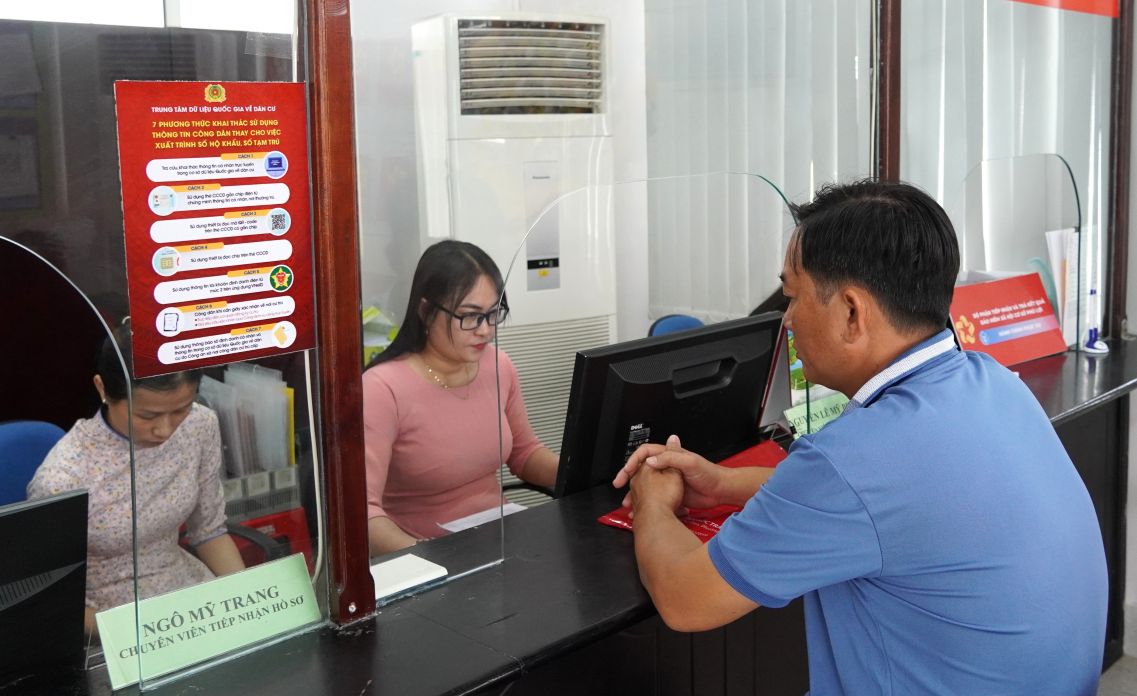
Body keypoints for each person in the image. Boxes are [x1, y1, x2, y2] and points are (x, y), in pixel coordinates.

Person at [614, 180, 1107, 695]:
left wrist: (653, 501)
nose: (786, 322)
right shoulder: (992, 383)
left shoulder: (854, 460)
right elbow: (887, 507)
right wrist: (724, 484)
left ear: (852, 312)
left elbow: (685, 599)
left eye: (792, 298)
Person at [27, 323, 245, 636]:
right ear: (103, 389)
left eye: (180, 409)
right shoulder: (64, 477)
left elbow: (210, 531)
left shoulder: (199, 425)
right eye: (147, 416)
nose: (166, 430)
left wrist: (246, 599)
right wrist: (133, 633)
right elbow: (47, 599)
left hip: (189, 601)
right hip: (110, 626)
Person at [363, 240, 559, 555]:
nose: (485, 330)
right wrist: (426, 564)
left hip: (499, 539)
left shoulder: (499, 366)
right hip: (424, 551)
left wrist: (587, 471)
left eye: (493, 314)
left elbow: (525, 454)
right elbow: (365, 512)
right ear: (426, 312)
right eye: (471, 316)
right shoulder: (381, 388)